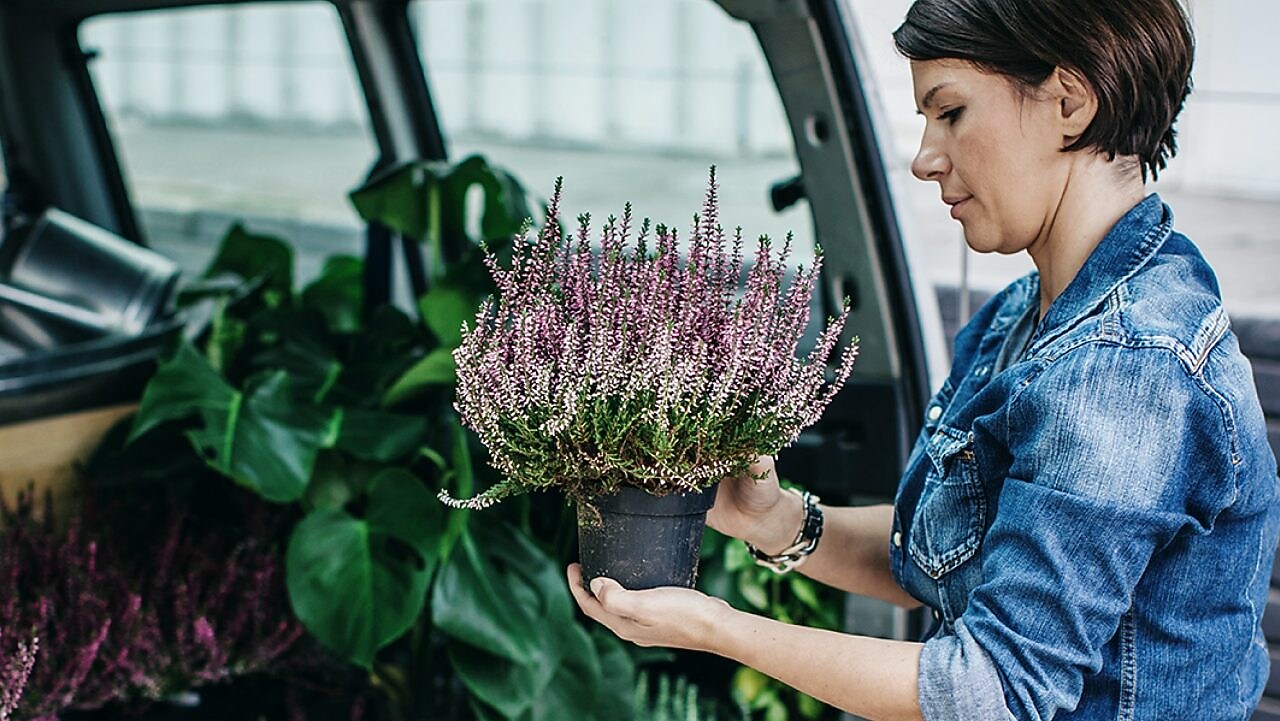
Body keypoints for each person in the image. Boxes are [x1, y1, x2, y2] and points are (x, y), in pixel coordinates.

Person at [566, 0, 1280, 719]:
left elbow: (991, 688)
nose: (924, 157)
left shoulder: (1126, 368)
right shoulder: (1028, 319)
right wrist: (779, 521)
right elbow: (959, 561)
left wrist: (718, 628)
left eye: (952, 112)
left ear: (1070, 102)